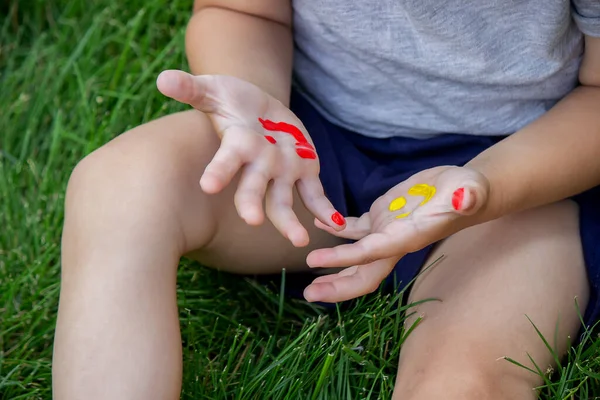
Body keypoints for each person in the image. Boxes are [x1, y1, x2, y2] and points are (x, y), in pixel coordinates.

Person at [52, 1, 600, 399]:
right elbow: (243, 11)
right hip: (308, 146)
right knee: (121, 184)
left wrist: (484, 187)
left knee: (460, 380)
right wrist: (260, 107)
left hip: (519, 180)